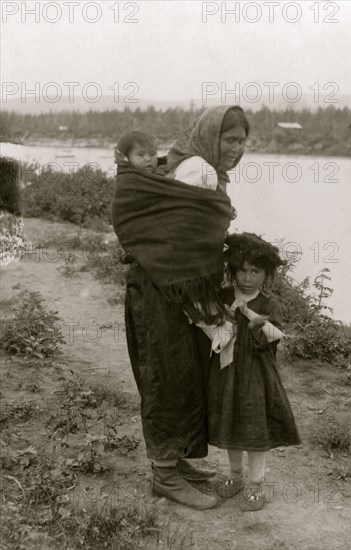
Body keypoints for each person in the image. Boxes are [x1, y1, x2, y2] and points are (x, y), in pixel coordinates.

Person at [111, 105, 250, 510]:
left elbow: (187, 232)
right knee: (165, 375)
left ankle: (179, 460)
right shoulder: (198, 171)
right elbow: (178, 236)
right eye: (230, 140)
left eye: (243, 141)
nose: (238, 149)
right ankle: (165, 475)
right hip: (161, 286)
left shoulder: (200, 167)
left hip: (174, 286)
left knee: (184, 371)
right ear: (211, 137)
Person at [207, 232, 301, 511]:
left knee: (254, 426)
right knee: (231, 423)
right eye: (242, 271)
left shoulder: (269, 304)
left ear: (267, 274)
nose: (247, 278)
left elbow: (273, 335)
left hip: (256, 375)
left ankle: (256, 485)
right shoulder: (224, 295)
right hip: (226, 371)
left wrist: (246, 313)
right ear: (233, 271)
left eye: (255, 272)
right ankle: (235, 477)